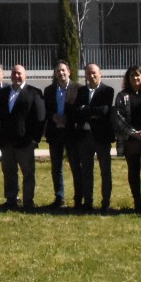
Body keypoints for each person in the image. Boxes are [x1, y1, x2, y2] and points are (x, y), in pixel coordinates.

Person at [0, 64, 45, 209]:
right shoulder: (3, 93)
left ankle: (28, 201)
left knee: (28, 173)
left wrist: (34, 139)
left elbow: (40, 117)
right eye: (14, 73)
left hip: (25, 141)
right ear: (10, 75)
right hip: (7, 141)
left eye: (19, 74)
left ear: (25, 76)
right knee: (9, 171)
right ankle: (11, 199)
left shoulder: (34, 93)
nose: (16, 76)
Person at [69, 62, 115, 212]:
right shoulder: (81, 91)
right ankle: (87, 202)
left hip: (101, 137)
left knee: (105, 170)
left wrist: (86, 110)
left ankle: (105, 203)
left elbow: (104, 111)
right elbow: (75, 112)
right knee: (86, 171)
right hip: (84, 136)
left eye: (94, 72)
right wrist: (91, 113)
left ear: (100, 74)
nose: (92, 75)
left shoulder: (107, 90)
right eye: (89, 73)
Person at [113, 66, 141, 214]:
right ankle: (137, 203)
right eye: (132, 76)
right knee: (133, 173)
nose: (135, 79)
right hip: (130, 141)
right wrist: (134, 133)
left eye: (138, 76)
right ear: (128, 78)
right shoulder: (122, 96)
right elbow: (119, 118)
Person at [42, 60, 78, 209]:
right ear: (55, 74)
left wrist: (67, 119)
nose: (61, 73)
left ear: (69, 71)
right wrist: (54, 117)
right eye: (58, 71)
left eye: (63, 70)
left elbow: (78, 109)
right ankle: (59, 197)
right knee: (56, 167)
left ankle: (79, 197)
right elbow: (47, 110)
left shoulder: (78, 88)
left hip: (71, 132)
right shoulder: (49, 90)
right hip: (55, 132)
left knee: (75, 166)